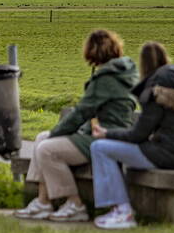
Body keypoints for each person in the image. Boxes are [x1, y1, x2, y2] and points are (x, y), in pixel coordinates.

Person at [15, 29, 138, 221]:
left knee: (47, 149)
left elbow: (81, 113)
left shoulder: (106, 79)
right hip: (106, 133)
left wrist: (57, 133)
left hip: (103, 137)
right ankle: (42, 202)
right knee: (41, 138)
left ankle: (75, 204)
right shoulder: (122, 73)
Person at [89, 41, 174, 230]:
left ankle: (122, 211)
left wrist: (107, 133)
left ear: (144, 64)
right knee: (107, 149)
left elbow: (138, 135)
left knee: (100, 148)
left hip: (169, 154)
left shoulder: (156, 90)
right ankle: (119, 209)